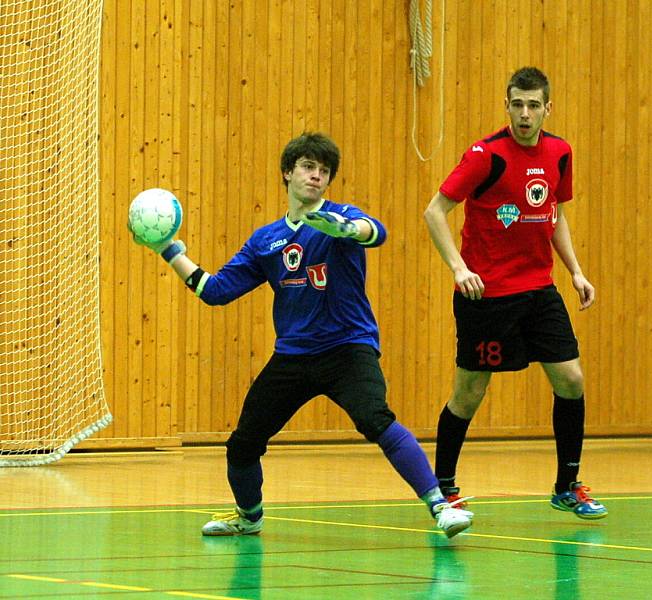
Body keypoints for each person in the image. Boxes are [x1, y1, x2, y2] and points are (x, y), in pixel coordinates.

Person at [130, 132, 474, 537]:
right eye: (309, 167)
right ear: (287, 173)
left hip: (348, 348)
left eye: (324, 171)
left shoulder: (339, 218)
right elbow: (216, 291)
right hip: (293, 356)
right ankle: (249, 516)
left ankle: (440, 506)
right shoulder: (266, 240)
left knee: (376, 420)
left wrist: (348, 229)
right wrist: (170, 250)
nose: (316, 177)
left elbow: (374, 232)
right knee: (242, 444)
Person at [423, 67, 607, 519]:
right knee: (469, 393)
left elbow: (554, 214)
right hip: (486, 296)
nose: (525, 114)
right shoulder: (487, 155)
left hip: (539, 289)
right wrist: (459, 267)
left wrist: (576, 272)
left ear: (548, 108)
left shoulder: (560, 153)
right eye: (517, 104)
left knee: (571, 379)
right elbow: (435, 211)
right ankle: (443, 487)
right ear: (506, 106)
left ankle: (567, 484)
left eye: (534, 105)